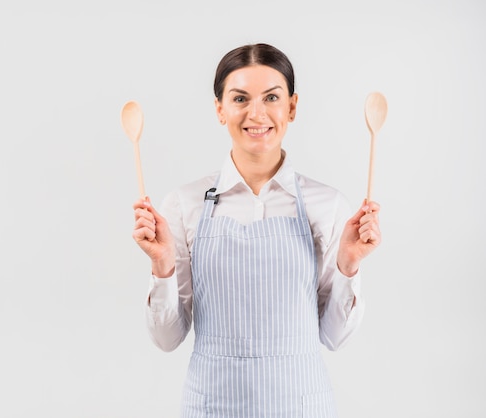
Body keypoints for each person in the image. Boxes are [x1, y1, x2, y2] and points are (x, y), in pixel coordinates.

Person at [132, 43, 381, 418]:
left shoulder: (326, 205)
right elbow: (167, 339)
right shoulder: (184, 205)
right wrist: (162, 265)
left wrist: (348, 265)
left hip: (300, 406)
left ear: (292, 107)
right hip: (211, 406)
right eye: (240, 98)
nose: (257, 113)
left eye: (271, 97)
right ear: (220, 109)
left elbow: (334, 337)